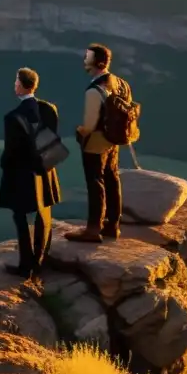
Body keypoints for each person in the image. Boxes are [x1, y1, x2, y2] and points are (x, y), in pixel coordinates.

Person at [0, 67, 62, 277]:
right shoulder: (50, 109)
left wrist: (3, 164)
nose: (14, 85)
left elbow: (11, 152)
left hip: (23, 174)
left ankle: (26, 264)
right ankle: (40, 260)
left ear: (22, 86)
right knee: (44, 214)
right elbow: (52, 139)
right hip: (45, 169)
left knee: (20, 216)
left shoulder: (12, 117)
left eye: (16, 81)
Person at [66, 43, 130, 243]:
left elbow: (90, 124)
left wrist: (79, 131)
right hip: (113, 141)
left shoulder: (94, 91)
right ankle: (113, 225)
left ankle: (93, 229)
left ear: (98, 62)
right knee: (112, 179)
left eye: (88, 57)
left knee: (95, 183)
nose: (85, 59)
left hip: (95, 143)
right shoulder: (121, 83)